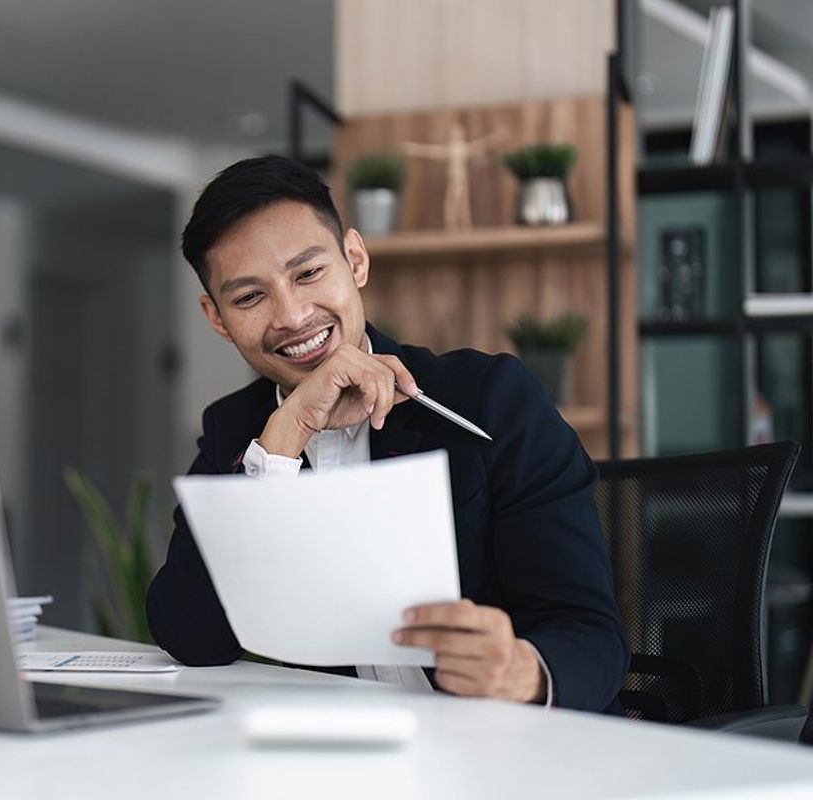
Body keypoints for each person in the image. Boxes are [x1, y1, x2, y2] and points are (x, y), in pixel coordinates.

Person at [146, 155, 628, 712]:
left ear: (355, 260)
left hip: (511, 747)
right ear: (217, 318)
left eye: (308, 273)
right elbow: (189, 636)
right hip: (353, 755)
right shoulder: (239, 428)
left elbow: (593, 635)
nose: (293, 315)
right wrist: (283, 440)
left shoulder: (491, 398)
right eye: (250, 297)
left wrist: (521, 673)